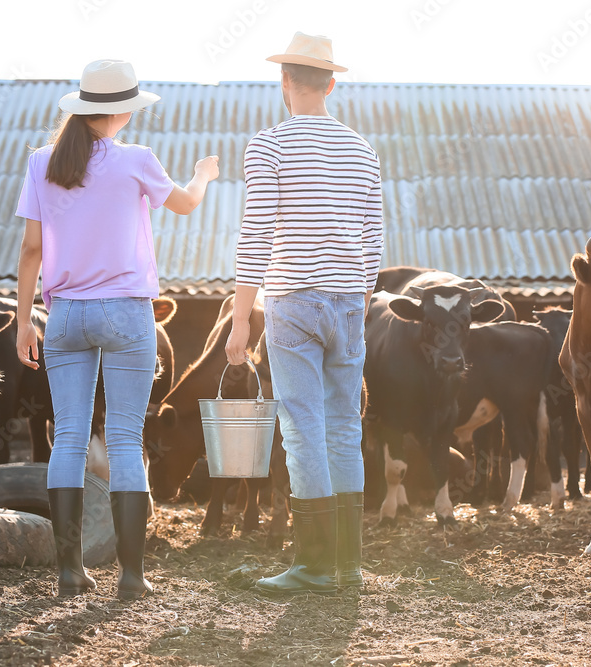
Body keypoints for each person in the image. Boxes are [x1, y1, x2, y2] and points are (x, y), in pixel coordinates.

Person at [15, 59, 219, 599]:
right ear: (123, 110)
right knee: (126, 439)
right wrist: (204, 173)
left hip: (64, 316)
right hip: (127, 312)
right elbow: (186, 204)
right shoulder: (137, 160)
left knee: (70, 440)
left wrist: (21, 321)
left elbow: (31, 249)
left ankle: (69, 572)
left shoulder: (42, 162)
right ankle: (131, 576)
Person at [225, 33, 384, 595]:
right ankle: (348, 565)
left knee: (300, 425)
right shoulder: (363, 150)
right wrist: (357, 300)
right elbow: (374, 241)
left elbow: (256, 234)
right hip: (348, 302)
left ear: (285, 81)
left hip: (292, 300)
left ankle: (314, 565)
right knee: (344, 426)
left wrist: (243, 318)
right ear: (332, 83)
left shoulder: (267, 146)